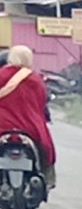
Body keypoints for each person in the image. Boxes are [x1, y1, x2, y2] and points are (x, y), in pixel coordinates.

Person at [0, 45, 58, 191]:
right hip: (30, 126)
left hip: (2, 124)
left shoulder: (1, 74)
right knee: (45, 148)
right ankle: (47, 178)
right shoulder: (35, 79)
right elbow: (41, 103)